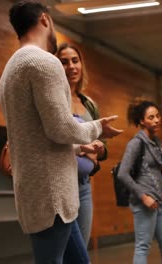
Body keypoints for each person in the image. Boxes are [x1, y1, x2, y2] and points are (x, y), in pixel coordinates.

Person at [0, 1, 122, 263]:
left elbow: (36, 134)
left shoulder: (9, 70)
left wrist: (80, 148)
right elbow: (60, 128)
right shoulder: (44, 63)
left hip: (42, 196)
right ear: (45, 20)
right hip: (52, 197)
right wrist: (99, 128)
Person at [56, 43, 107, 246]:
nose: (71, 67)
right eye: (64, 62)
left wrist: (98, 154)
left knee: (81, 249)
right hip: (60, 184)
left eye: (75, 61)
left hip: (84, 185)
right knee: (62, 248)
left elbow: (101, 143)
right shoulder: (54, 99)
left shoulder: (89, 104)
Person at [117, 99, 162, 264]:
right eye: (151, 117)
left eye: (158, 116)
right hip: (144, 203)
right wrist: (143, 196)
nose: (157, 120)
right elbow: (122, 174)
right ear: (142, 121)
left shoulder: (156, 142)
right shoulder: (136, 143)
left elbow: (157, 174)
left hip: (159, 204)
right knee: (143, 247)